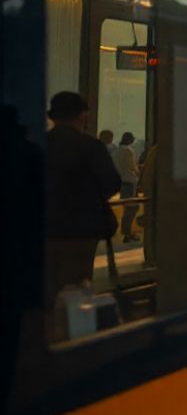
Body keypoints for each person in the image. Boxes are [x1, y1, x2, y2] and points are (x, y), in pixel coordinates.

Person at [44, 92, 122, 339]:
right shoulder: (90, 146)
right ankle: (75, 336)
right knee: (78, 287)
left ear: (52, 117)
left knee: (49, 288)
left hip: (45, 230)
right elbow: (111, 184)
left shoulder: (40, 144)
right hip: (82, 232)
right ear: (83, 115)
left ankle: (49, 333)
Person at [113, 131, 140, 242]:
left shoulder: (117, 151)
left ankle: (126, 233)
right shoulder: (129, 150)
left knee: (127, 208)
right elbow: (132, 167)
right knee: (132, 208)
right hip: (130, 181)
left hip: (122, 182)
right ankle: (127, 233)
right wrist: (139, 174)